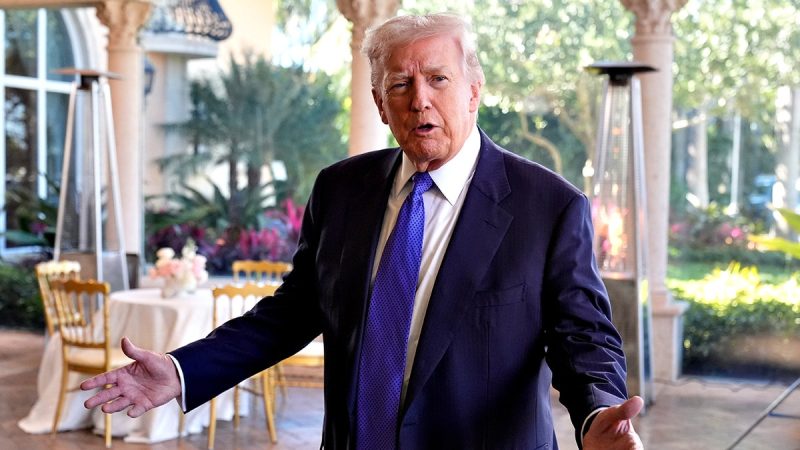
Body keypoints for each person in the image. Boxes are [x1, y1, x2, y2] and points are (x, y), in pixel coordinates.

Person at [82, 13, 643, 449]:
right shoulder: (340, 190)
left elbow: (584, 338)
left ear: (473, 90)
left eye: (438, 79)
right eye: (400, 84)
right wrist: (183, 371)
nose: (419, 99)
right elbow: (291, 314)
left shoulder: (549, 207)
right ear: (379, 103)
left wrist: (596, 413)